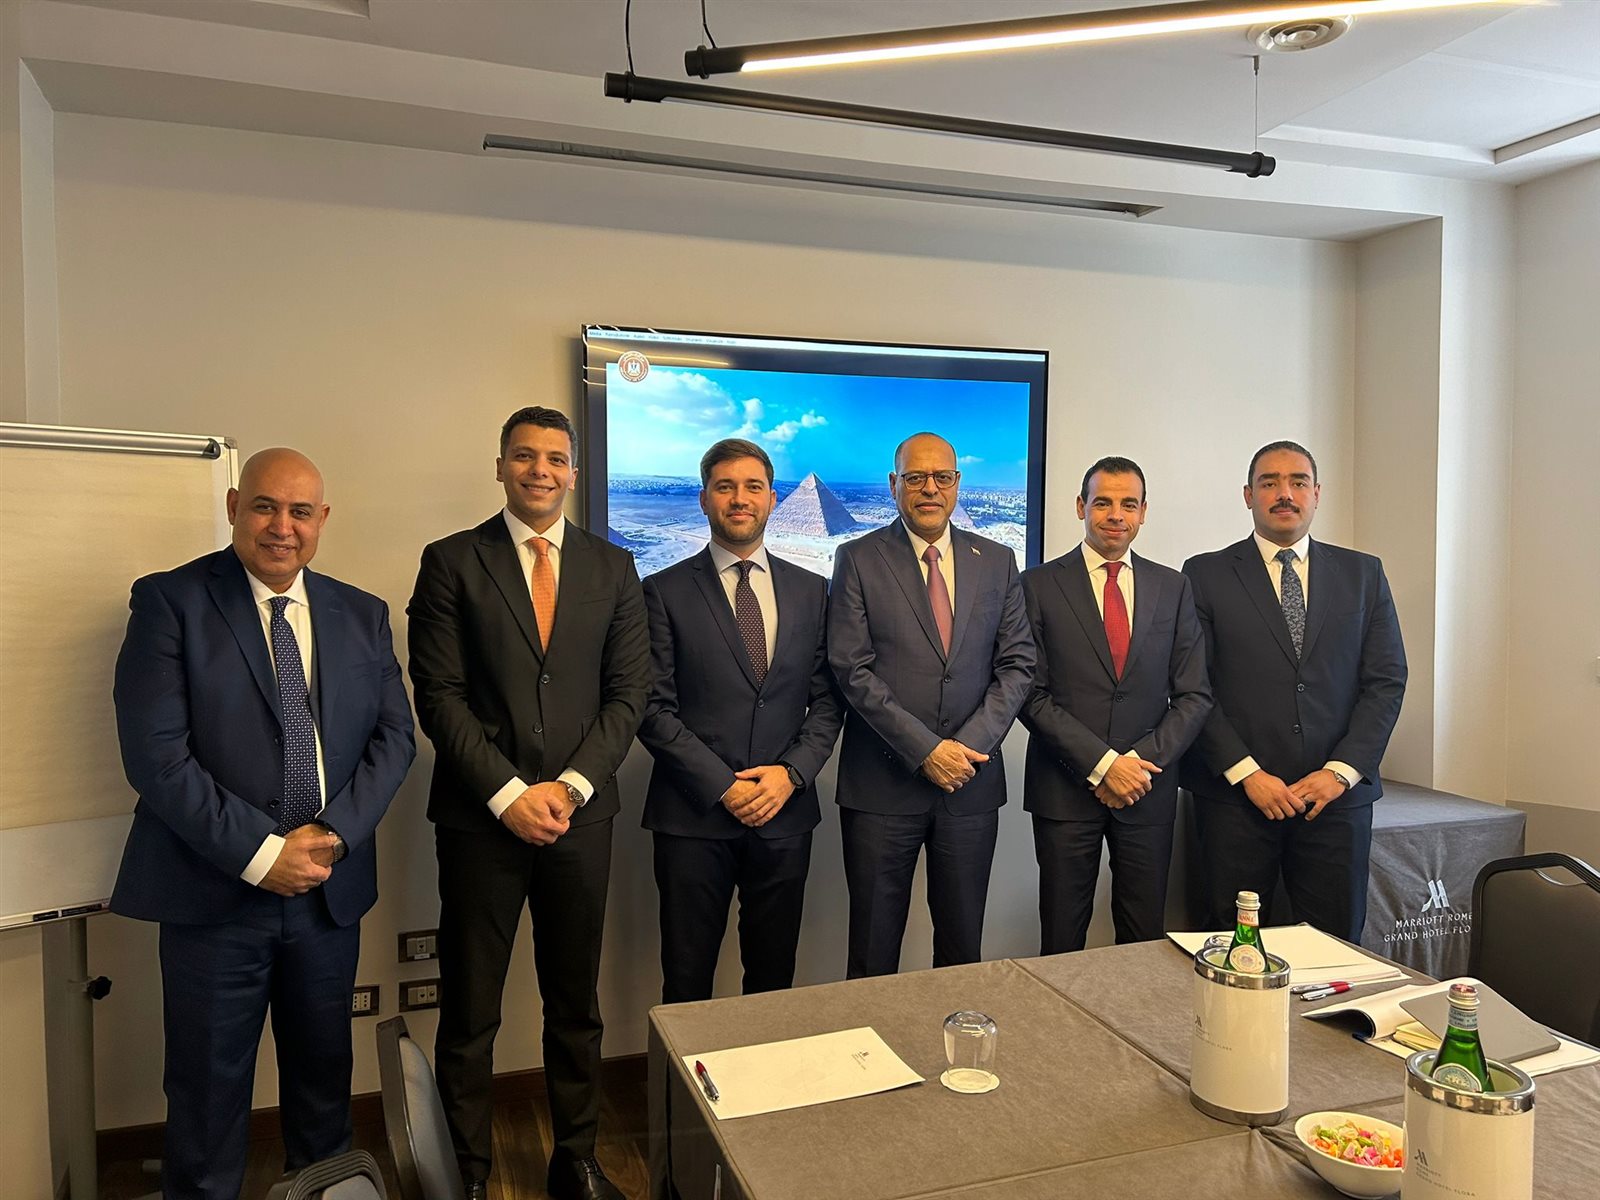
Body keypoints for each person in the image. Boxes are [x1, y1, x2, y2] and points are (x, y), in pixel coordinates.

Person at [111, 447, 415, 1200]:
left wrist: (334, 837)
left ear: (322, 519)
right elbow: (156, 758)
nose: (283, 527)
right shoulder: (170, 601)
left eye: (300, 512)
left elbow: (394, 739)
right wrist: (260, 852)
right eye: (265, 507)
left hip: (326, 894)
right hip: (213, 896)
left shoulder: (361, 613)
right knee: (207, 1098)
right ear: (233, 507)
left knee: (324, 1084)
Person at [407, 406, 650, 1200]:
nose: (539, 470)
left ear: (574, 472)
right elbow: (439, 695)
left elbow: (629, 695)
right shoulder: (451, 561)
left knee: (575, 1005)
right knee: (470, 1007)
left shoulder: (614, 568)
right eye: (523, 456)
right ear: (501, 466)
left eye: (554, 458)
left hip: (582, 820)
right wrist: (510, 794)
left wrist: (571, 788)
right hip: (481, 820)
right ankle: (469, 1174)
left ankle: (577, 1160)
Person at [637, 438, 842, 1002]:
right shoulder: (662, 591)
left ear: (773, 499)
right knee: (686, 981)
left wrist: (790, 774)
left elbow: (828, 701)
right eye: (725, 487)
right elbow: (651, 708)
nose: (739, 499)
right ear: (704, 499)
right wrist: (723, 786)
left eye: (753, 487)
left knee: (774, 983)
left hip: (784, 813)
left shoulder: (813, 591)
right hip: (693, 817)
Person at [827, 432, 1035, 978]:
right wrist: (925, 750)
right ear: (893, 484)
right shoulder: (857, 558)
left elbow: (1018, 666)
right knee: (873, 953)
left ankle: (956, 1039)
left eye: (942, 477)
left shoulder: (997, 560)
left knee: (962, 951)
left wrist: (963, 749)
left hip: (970, 783)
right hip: (881, 787)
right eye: (915, 477)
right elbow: (851, 668)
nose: (929, 489)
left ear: (957, 484)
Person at [1181, 440, 1407, 941]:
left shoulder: (1363, 574)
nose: (1285, 493)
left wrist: (1340, 773)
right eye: (1269, 483)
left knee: (1336, 947)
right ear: (1248, 495)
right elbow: (1195, 686)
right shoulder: (1204, 573)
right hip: (1237, 801)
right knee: (1233, 948)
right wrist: (1248, 774)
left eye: (1298, 482)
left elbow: (1386, 681)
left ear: (1317, 493)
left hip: (1335, 802)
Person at [1018, 457, 1211, 954]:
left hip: (1148, 788)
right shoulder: (1037, 585)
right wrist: (1104, 765)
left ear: (1143, 512)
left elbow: (1194, 694)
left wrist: (1137, 765)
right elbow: (1030, 694)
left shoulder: (1173, 587)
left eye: (1128, 504)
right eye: (1102, 502)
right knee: (1061, 940)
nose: (1115, 515)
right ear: (1080, 506)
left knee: (1142, 940)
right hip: (1064, 789)